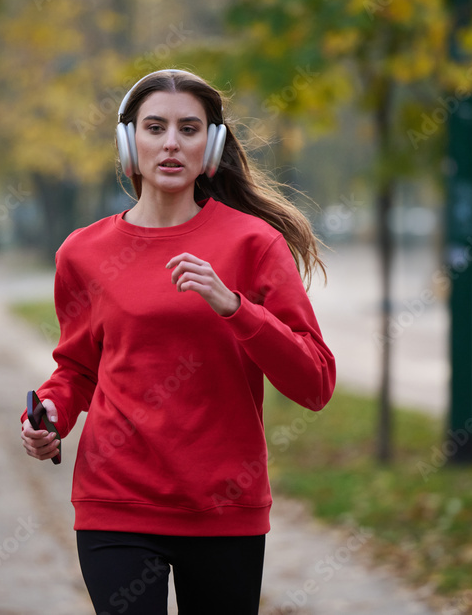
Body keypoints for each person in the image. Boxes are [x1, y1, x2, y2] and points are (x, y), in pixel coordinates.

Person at [21, 68, 335, 614]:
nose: (171, 143)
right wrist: (50, 413)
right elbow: (77, 367)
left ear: (210, 145)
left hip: (223, 507)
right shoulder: (83, 252)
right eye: (155, 127)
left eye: (189, 129)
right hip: (115, 501)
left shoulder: (253, 244)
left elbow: (315, 382)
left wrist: (236, 308)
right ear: (129, 142)